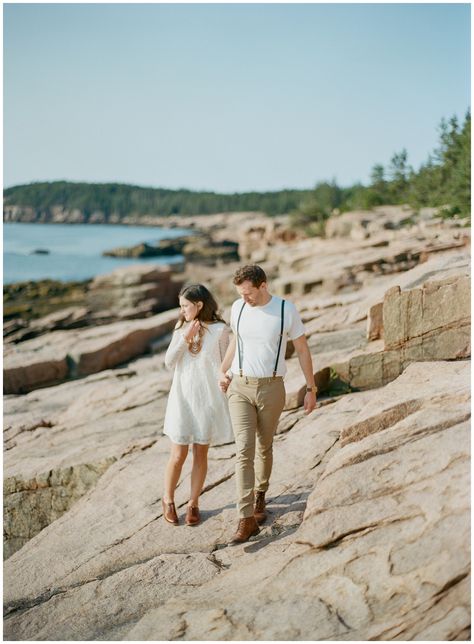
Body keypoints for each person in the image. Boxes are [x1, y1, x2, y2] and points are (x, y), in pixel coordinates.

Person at [219, 264, 317, 544]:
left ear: (263, 286)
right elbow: (234, 342)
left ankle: (260, 493)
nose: (245, 298)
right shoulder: (237, 308)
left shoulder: (286, 310)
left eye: (248, 293)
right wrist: (221, 371)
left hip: (272, 388)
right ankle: (245, 517)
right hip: (239, 386)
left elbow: (302, 349)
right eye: (240, 293)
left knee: (264, 446)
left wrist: (311, 388)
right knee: (243, 449)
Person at [162, 284, 233, 527]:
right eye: (180, 306)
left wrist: (228, 378)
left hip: (207, 399)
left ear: (199, 305)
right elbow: (169, 362)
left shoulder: (221, 330)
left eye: (185, 306)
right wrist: (185, 338)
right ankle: (168, 499)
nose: (182, 310)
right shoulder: (181, 328)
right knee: (178, 454)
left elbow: (226, 363)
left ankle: (193, 503)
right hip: (182, 399)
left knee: (200, 454)